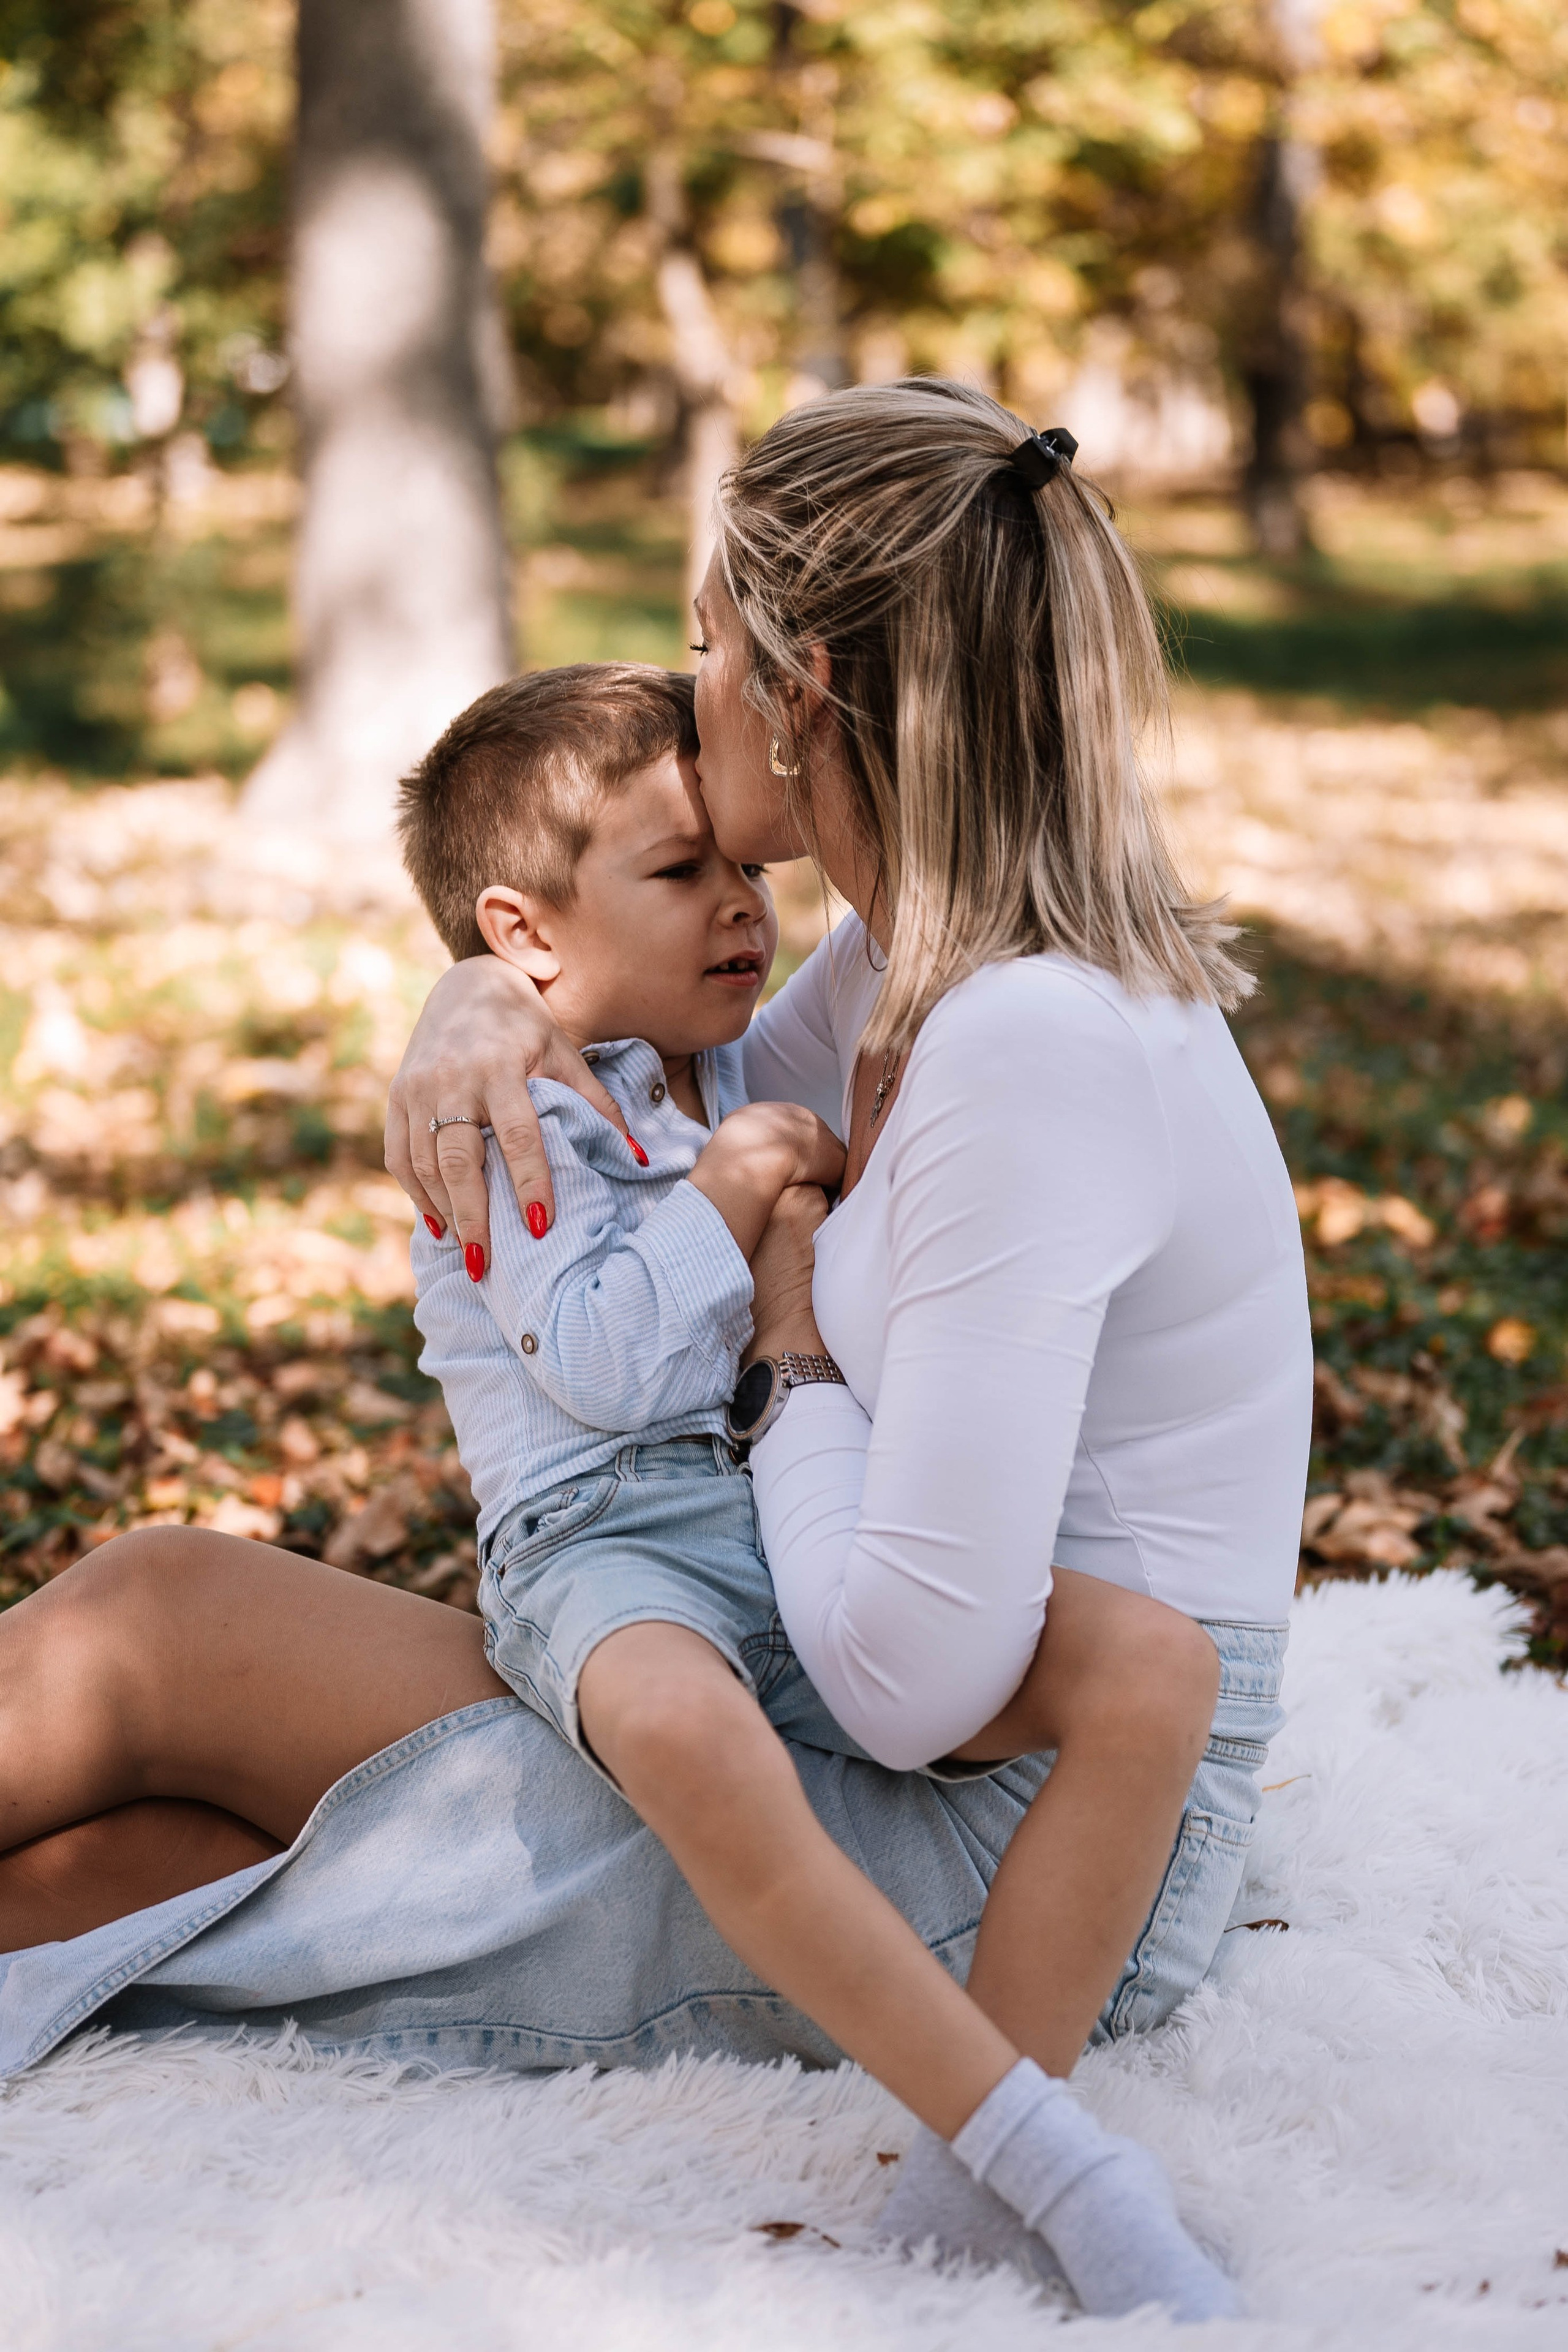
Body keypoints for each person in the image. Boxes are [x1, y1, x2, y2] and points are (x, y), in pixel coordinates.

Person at [0, 379, 1308, 2314]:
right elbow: (622, 1100)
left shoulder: (1031, 1042)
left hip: (1007, 1834)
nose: (684, 690)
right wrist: (468, 1003)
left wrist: (783, 1344)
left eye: (710, 643)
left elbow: (911, 1681)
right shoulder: (894, 964)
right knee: (167, 1747)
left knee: (172, 1656)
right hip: (856, 1690)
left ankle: (1009, 2161)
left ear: (811, 690)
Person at [394, 657, 1237, 2316]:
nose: (741, 907)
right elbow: (604, 1360)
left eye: (747, 871)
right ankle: (1046, 2157)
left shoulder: (725, 1063)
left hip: (766, 1509)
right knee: (697, 1744)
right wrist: (732, 1196)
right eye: (681, 874)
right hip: (602, 1548)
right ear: (527, 936)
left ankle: (956, 2176)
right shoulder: (504, 1111)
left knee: (1155, 1664)